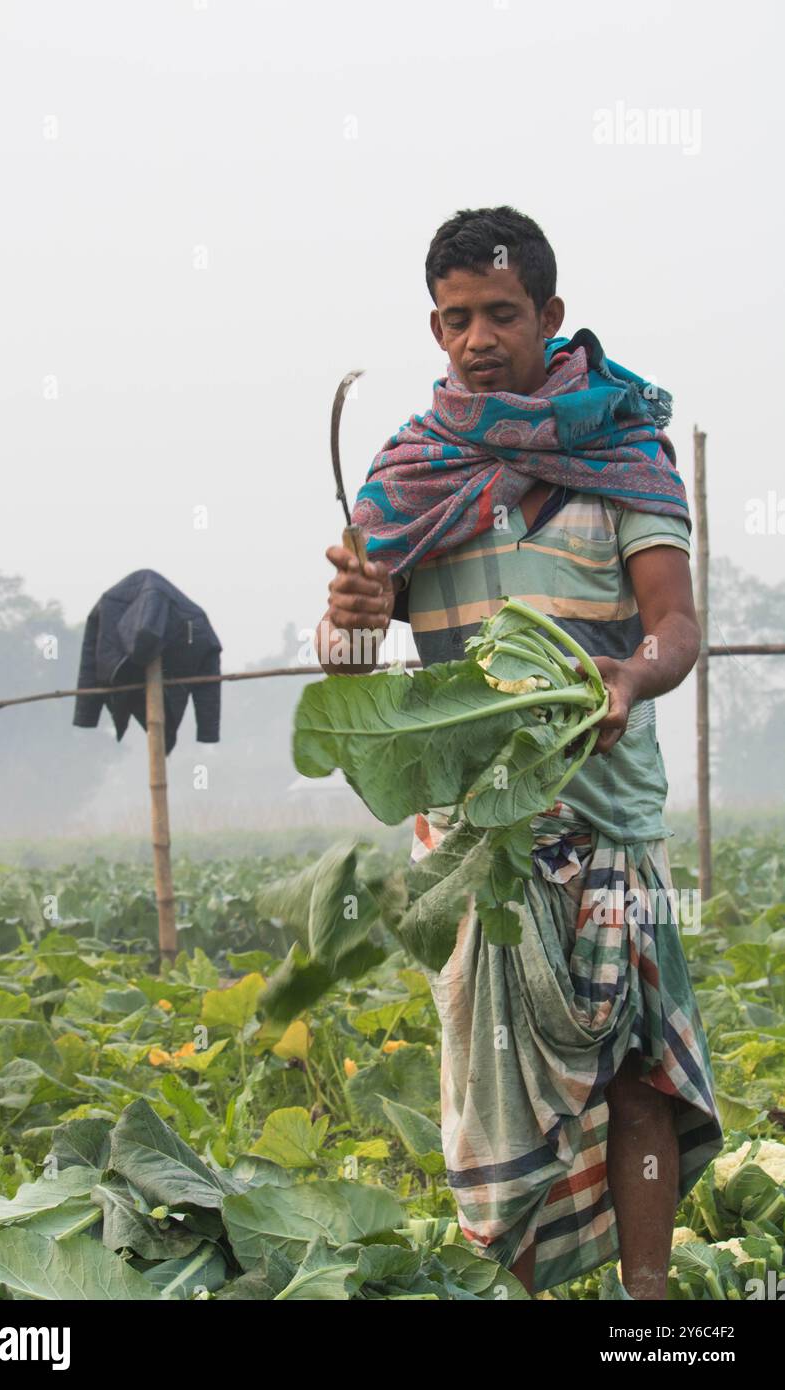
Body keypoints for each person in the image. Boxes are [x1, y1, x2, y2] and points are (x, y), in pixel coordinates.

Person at [314, 206, 723, 1300]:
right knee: (498, 1075)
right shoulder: (410, 471)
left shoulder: (624, 451)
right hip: (473, 835)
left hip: (607, 811)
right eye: (455, 319)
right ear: (434, 327)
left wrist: (628, 679)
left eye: (499, 314)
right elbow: (348, 655)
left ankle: (643, 1304)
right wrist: (353, 612)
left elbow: (673, 624)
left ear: (548, 315)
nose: (476, 337)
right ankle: (532, 1290)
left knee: (636, 1064)